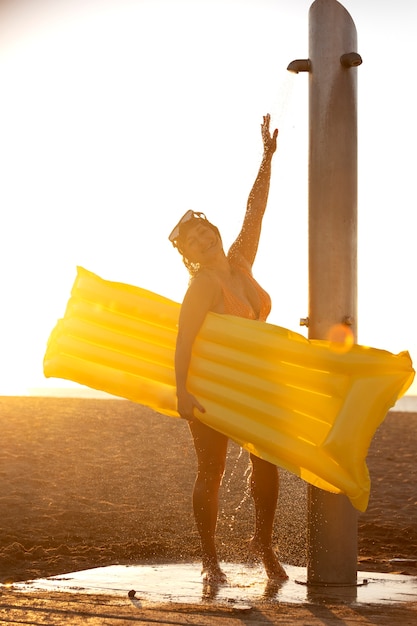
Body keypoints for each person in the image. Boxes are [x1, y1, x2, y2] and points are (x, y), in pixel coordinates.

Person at [168, 114, 287, 584]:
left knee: (267, 462)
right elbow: (183, 338)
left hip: (254, 382)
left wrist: (266, 158)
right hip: (213, 386)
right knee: (211, 472)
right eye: (192, 242)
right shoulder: (201, 286)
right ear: (189, 256)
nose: (202, 239)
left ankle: (265, 547)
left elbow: (254, 211)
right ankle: (209, 558)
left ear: (213, 231)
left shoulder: (240, 260)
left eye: (204, 231)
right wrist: (182, 392)